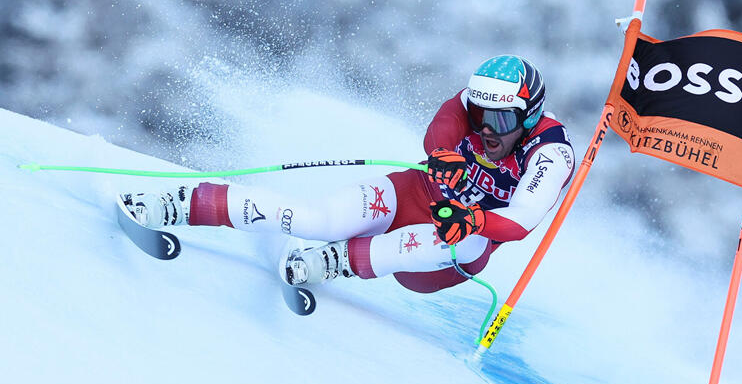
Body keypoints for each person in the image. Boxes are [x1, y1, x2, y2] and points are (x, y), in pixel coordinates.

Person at [124, 55, 575, 293]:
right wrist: (441, 153)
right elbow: (442, 124)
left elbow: (519, 223)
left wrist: (474, 219)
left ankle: (338, 261)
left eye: (497, 122)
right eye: (478, 115)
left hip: (451, 249)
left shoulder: (550, 154)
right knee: (317, 220)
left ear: (529, 116)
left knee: (453, 238)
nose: (483, 129)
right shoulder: (476, 105)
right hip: (416, 193)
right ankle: (185, 202)